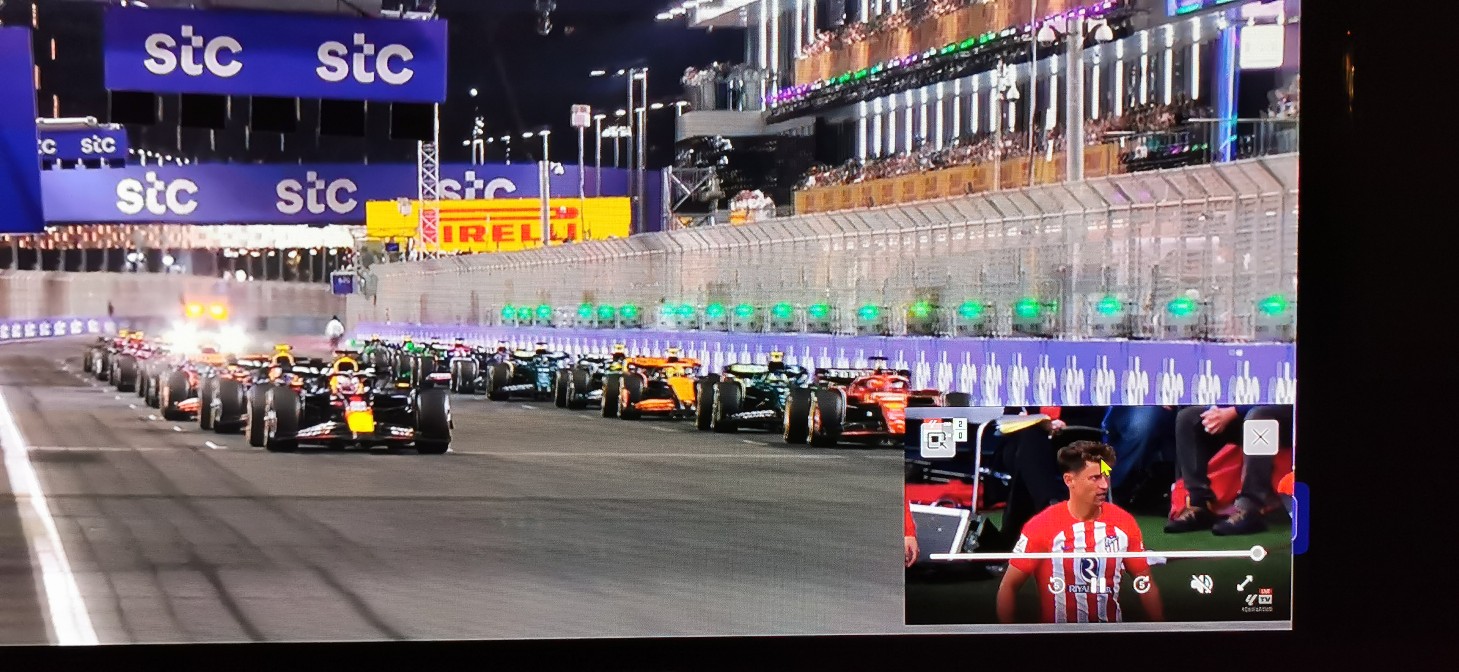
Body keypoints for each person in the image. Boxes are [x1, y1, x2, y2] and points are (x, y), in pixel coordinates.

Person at [997, 441, 1164, 624]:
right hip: (1058, 636)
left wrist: (1160, 629)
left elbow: (1145, 584)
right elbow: (1008, 587)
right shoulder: (1042, 525)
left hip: (1110, 635)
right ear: (1069, 480)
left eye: (1106, 476)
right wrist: (1009, 634)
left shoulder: (1124, 522)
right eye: (1095, 478)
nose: (1104, 485)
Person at [1166, 405, 1293, 536]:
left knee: (1258, 416)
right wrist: (1216, 409)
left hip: (1285, 413)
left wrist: (1234, 411)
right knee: (1188, 417)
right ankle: (1199, 505)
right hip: (1239, 410)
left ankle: (1250, 508)